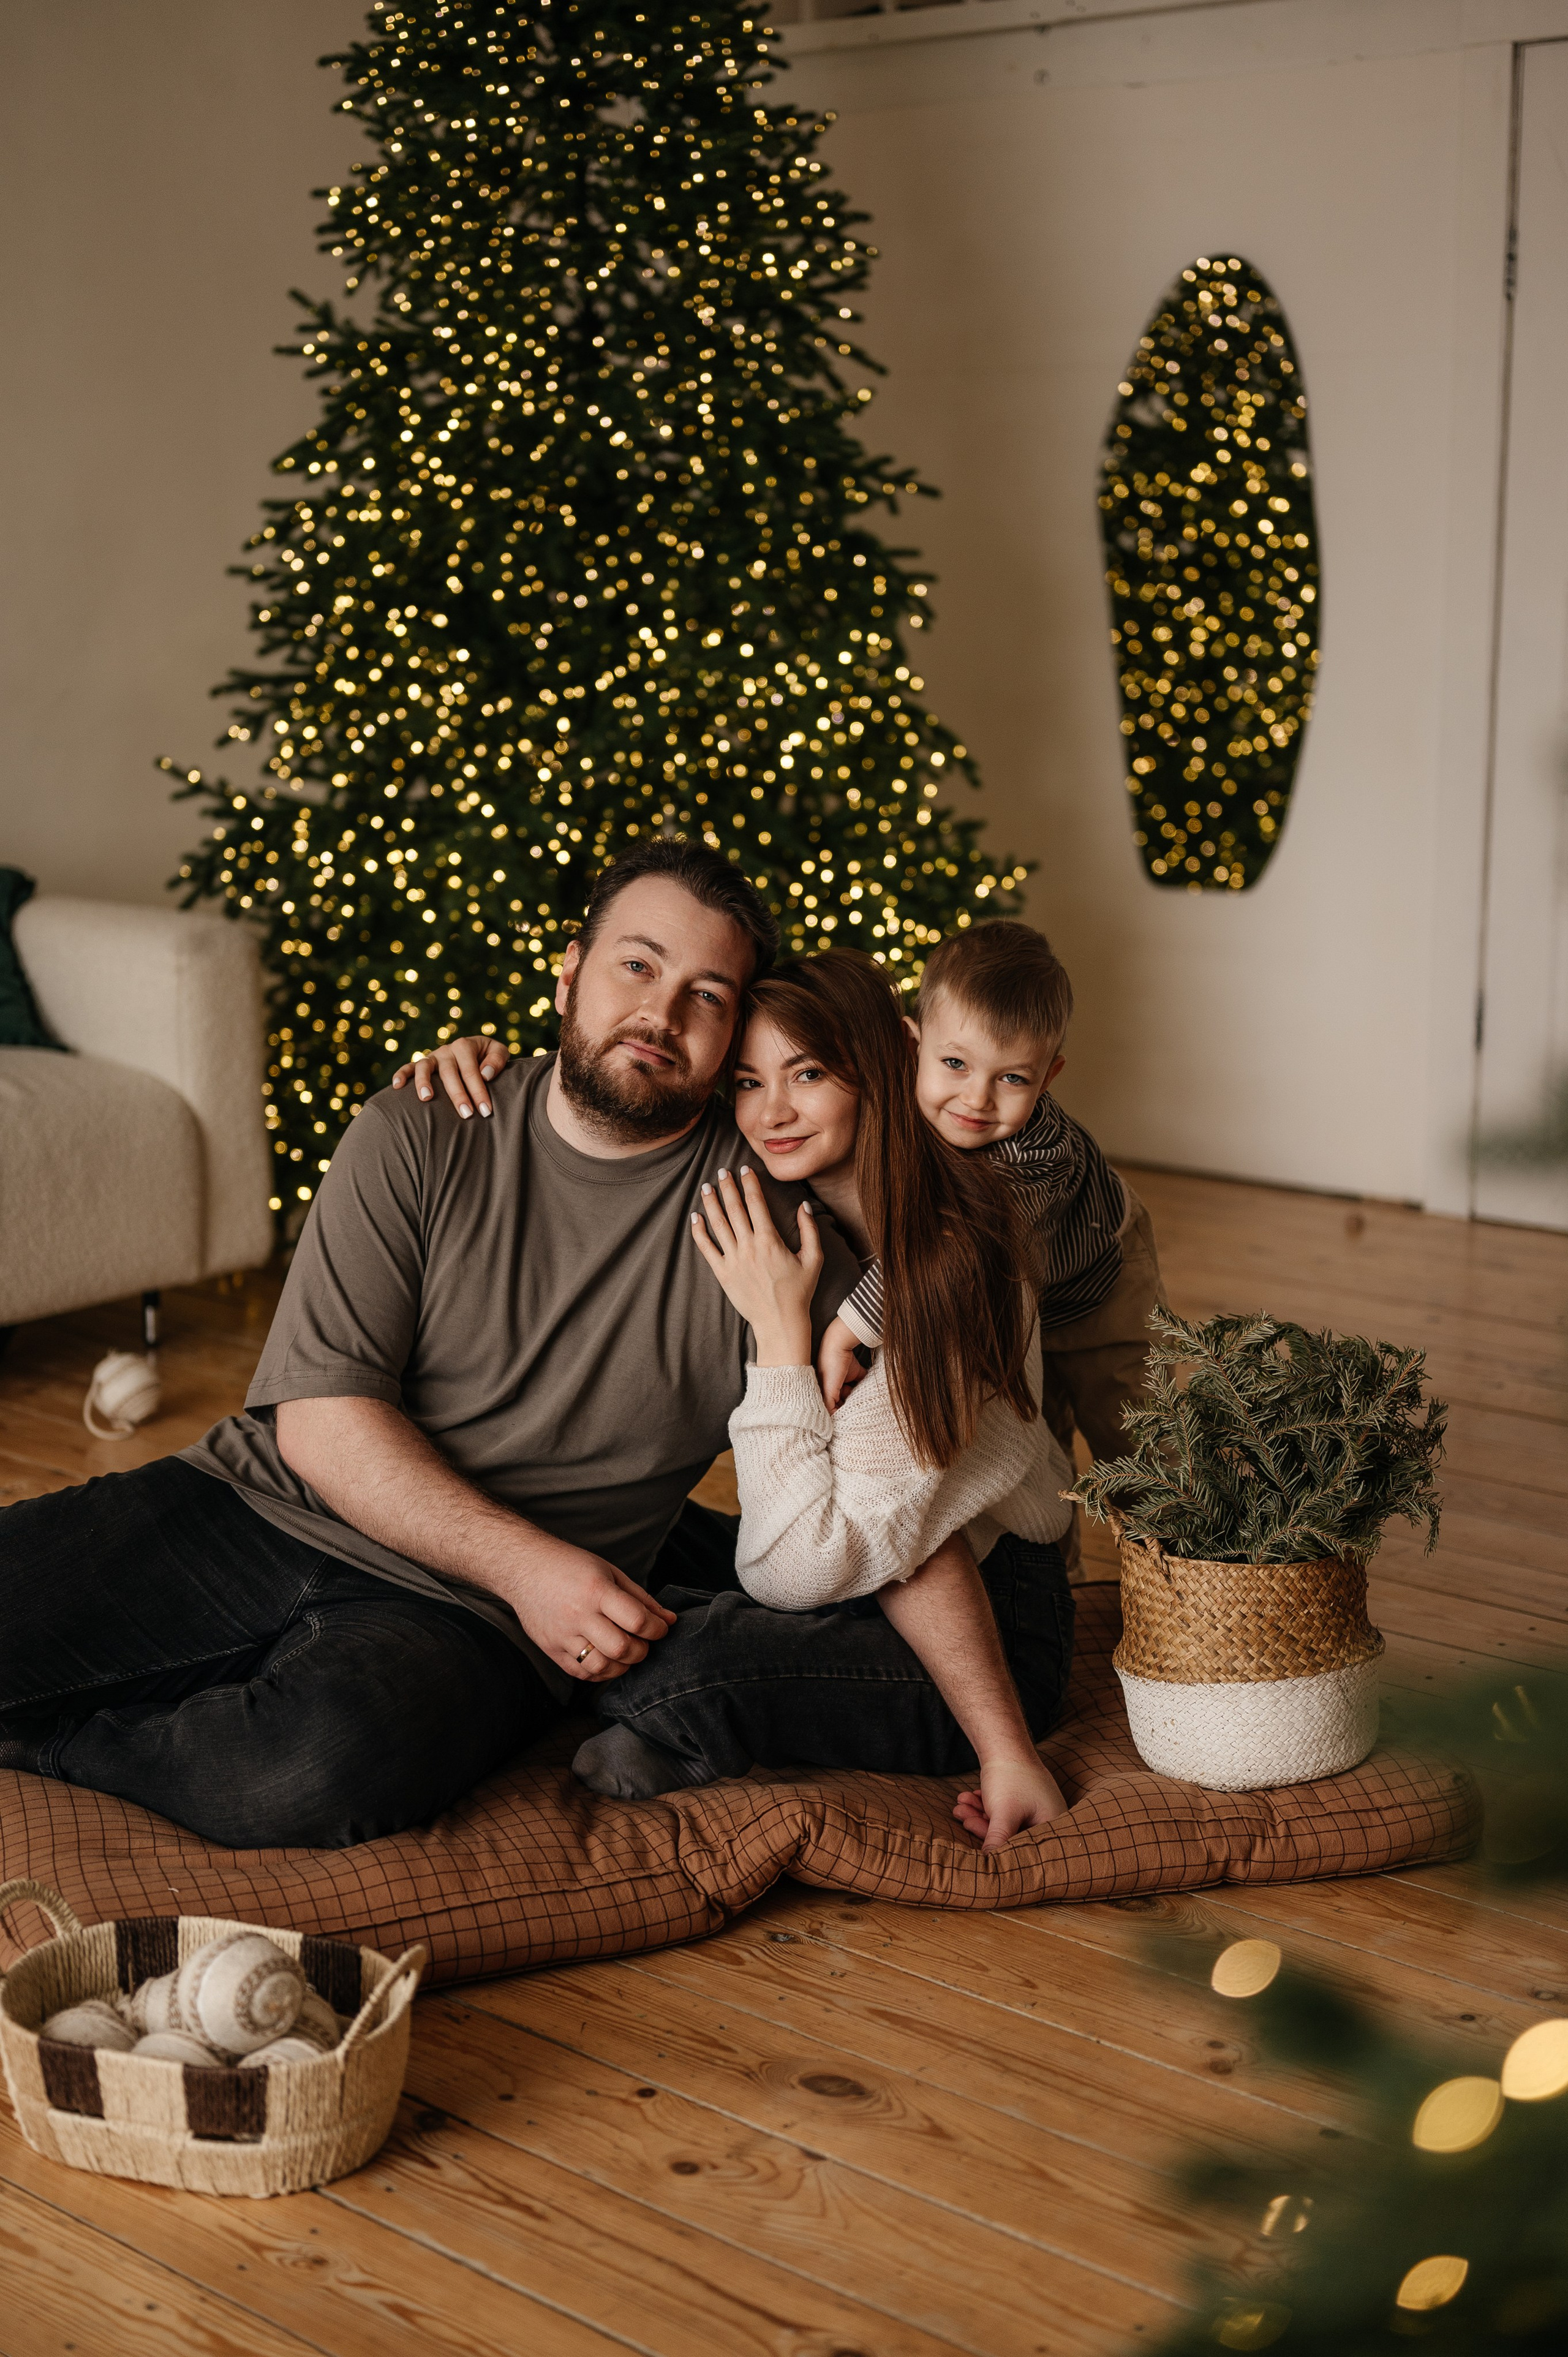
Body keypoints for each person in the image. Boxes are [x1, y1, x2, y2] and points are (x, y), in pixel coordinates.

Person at [0, 843, 862, 1849]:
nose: (660, 1016)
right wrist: (534, 1566)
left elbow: (949, 1241)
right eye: (637, 965)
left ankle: (52, 1748)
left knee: (297, 1775)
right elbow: (321, 1429)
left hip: (476, 1621)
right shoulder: (425, 1123)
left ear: (734, 1035)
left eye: (705, 995)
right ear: (568, 974)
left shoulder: (774, 1229)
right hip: (262, 1504)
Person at [575, 952, 1077, 1846]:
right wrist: (483, 1064)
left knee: (662, 1667)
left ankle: (707, 1720)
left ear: (882, 1068)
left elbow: (798, 1568)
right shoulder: (810, 1203)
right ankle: (728, 1699)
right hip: (869, 1556)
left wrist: (778, 1339)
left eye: (806, 1074)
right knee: (593, 1552)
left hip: (992, 1633)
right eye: (748, 1081)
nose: (772, 1112)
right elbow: (618, 1096)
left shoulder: (949, 1269)